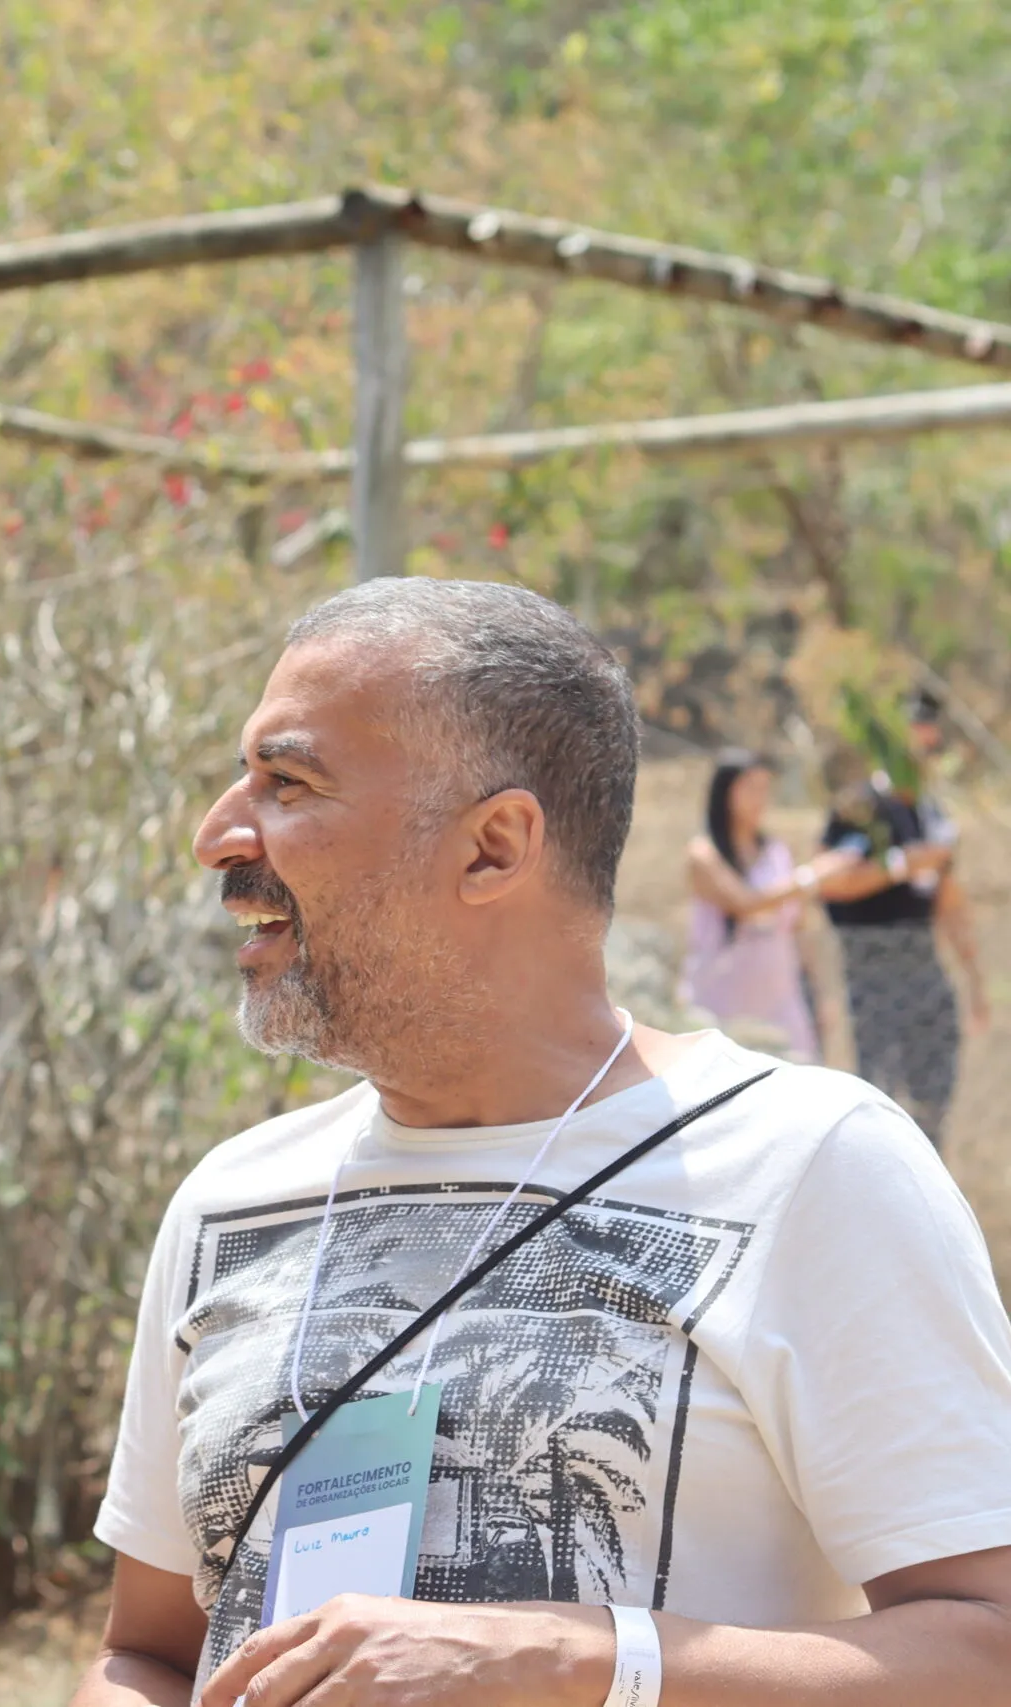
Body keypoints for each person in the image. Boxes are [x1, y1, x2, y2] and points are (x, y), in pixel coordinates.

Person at [72, 578, 1011, 1707]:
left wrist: (580, 1660)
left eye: (288, 783)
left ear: (493, 846)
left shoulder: (810, 1166)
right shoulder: (231, 1201)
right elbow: (152, 1655)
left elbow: (988, 1650)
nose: (216, 835)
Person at [817, 694, 990, 1136]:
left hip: (923, 963)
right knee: (878, 1102)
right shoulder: (860, 806)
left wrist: (973, 980)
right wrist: (900, 865)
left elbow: (947, 900)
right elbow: (828, 879)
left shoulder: (930, 811)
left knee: (932, 1098)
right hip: (872, 965)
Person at [679, 749, 851, 1062]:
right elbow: (745, 904)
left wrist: (819, 993)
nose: (760, 798)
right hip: (721, 1008)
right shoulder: (703, 854)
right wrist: (811, 876)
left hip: (781, 1004)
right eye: (750, 788)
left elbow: (798, 927)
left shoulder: (777, 852)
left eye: (764, 788)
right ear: (725, 792)